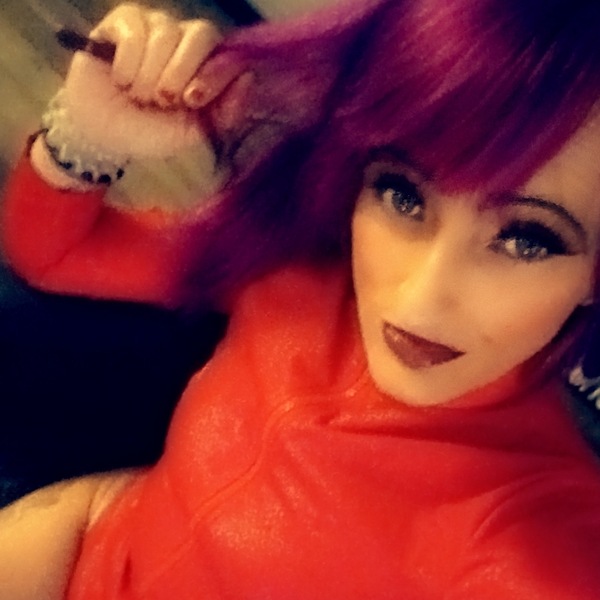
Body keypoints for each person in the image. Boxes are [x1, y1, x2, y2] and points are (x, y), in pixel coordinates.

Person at [1, 0, 600, 598]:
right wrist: (88, 135)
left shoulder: (535, 533)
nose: (420, 300)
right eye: (403, 195)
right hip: (75, 542)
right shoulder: (294, 275)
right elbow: (53, 254)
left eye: (527, 240)